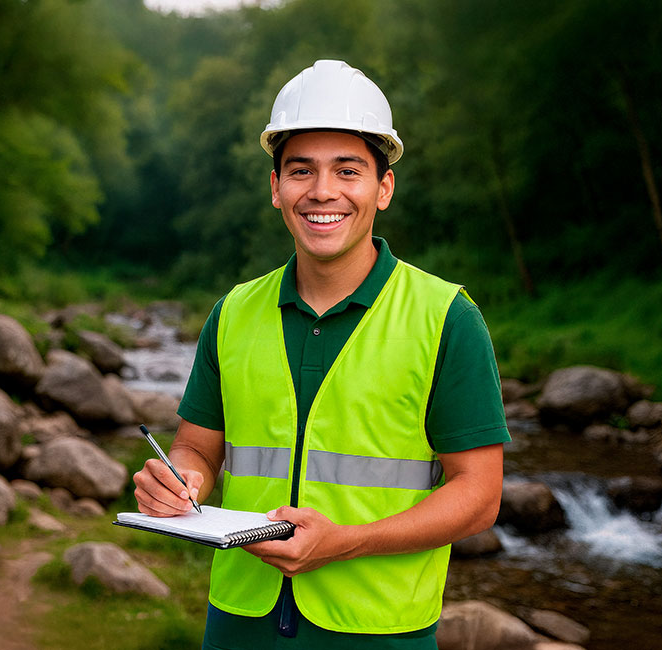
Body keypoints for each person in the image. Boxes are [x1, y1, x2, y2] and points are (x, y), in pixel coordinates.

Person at [133, 59, 510, 649]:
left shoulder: (447, 319)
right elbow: (198, 447)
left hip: (379, 633)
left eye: (348, 170)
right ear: (276, 188)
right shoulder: (232, 312)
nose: (322, 191)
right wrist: (182, 481)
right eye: (300, 170)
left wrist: (346, 540)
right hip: (238, 625)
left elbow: (479, 496)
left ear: (383, 188)